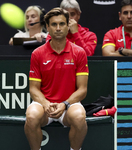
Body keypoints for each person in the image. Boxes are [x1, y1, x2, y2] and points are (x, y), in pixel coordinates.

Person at [25, 7, 88, 150]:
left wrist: (64, 104)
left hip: (69, 105)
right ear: (47, 27)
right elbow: (34, 89)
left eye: (62, 24)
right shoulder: (37, 54)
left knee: (79, 117)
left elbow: (82, 90)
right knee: (32, 116)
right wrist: (46, 104)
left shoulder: (79, 52)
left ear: (68, 26)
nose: (58, 28)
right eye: (54, 24)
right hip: (44, 105)